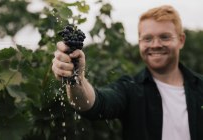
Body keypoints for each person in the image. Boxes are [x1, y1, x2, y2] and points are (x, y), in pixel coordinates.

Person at [52, 5, 203, 140]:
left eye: (164, 37)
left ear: (181, 40)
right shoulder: (129, 89)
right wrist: (76, 79)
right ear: (139, 42)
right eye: (147, 38)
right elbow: (95, 104)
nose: (156, 45)